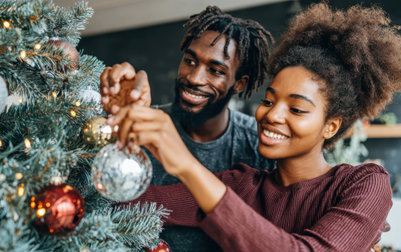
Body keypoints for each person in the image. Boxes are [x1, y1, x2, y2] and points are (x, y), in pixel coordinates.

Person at [110, 3, 401, 251]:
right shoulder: (242, 184)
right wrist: (115, 131)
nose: (272, 115)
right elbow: (127, 204)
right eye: (270, 101)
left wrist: (188, 166)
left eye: (297, 108)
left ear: (331, 126)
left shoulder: (363, 183)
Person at [100, 6, 275, 251]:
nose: (194, 77)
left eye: (215, 71)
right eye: (190, 61)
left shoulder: (258, 147)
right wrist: (112, 116)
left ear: (239, 84)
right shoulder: (142, 125)